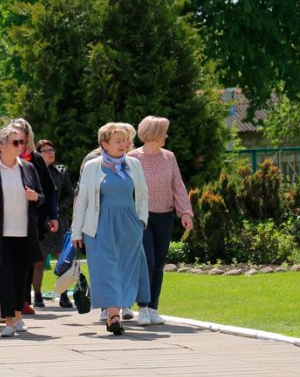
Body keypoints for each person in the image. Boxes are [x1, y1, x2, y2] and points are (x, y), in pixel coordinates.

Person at [72, 123, 150, 335]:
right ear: (104, 144)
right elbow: (83, 202)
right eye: (118, 141)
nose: (123, 144)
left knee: (124, 269)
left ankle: (118, 309)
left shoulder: (134, 164)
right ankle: (113, 315)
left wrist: (141, 221)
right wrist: (76, 232)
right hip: (99, 226)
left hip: (129, 226)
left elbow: (143, 196)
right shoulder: (92, 166)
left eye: (125, 140)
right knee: (106, 270)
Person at [0, 125, 45, 336]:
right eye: (15, 142)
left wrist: (36, 197)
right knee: (4, 277)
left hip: (24, 232)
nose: (20, 146)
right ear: (2, 145)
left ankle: (18, 315)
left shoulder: (28, 168)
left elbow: (42, 196)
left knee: (20, 278)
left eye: (22, 142)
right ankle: (9, 322)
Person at [129, 116, 194, 325]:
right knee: (147, 261)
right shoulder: (132, 158)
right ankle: (143, 307)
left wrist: (185, 212)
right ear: (155, 133)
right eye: (164, 132)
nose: (166, 135)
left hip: (164, 216)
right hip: (141, 217)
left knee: (159, 263)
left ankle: (154, 307)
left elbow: (178, 185)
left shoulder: (169, 157)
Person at [10, 118, 58, 313]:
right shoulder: (2, 157)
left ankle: (23, 300)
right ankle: (9, 299)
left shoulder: (35, 159)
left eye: (23, 135)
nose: (20, 140)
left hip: (32, 218)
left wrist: (53, 215)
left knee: (29, 259)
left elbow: (49, 189)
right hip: (8, 216)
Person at [37, 140, 74, 308]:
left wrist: (58, 208)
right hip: (40, 221)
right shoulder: (33, 171)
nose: (50, 153)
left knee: (63, 258)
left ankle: (64, 295)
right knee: (39, 259)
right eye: (45, 150)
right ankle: (37, 295)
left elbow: (69, 194)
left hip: (59, 221)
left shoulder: (61, 172)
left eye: (52, 149)